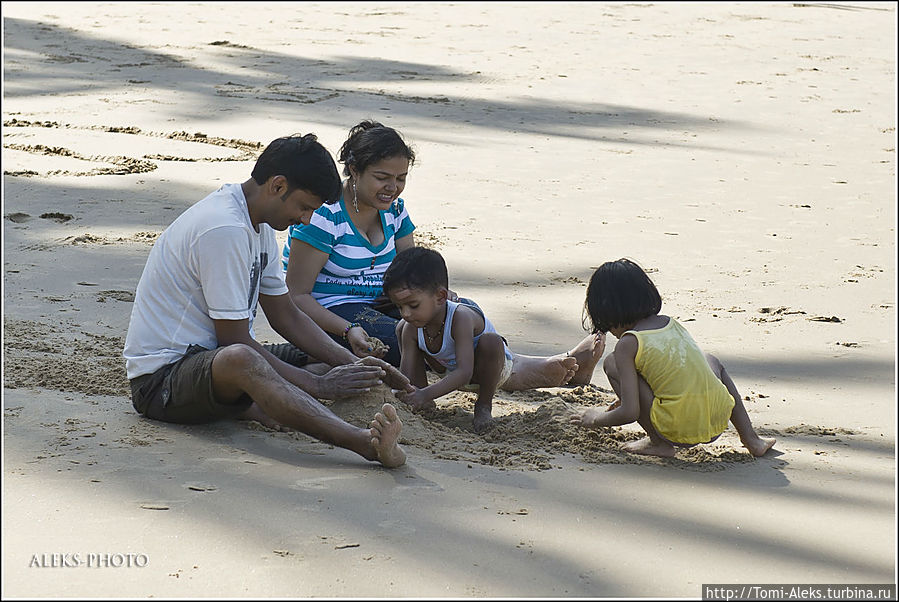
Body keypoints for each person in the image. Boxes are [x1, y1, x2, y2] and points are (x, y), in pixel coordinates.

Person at [123, 133, 410, 468]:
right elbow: (233, 341)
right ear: (277, 186)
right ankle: (362, 443)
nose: (305, 219)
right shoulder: (224, 228)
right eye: (304, 207)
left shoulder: (257, 224)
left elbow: (285, 313)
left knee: (319, 354)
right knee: (246, 359)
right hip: (162, 383)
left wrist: (348, 362)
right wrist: (319, 385)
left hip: (208, 361)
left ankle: (254, 403)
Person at [382, 247, 606, 433]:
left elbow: (464, 373)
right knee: (402, 329)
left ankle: (484, 405)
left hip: (490, 367)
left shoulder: (460, 318)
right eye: (399, 306)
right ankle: (568, 361)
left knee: (495, 347)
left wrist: (426, 394)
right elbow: (408, 375)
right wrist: (413, 395)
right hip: (448, 368)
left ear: (441, 297)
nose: (406, 313)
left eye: (413, 305)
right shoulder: (409, 326)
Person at [569, 258, 776, 458]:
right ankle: (751, 439)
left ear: (607, 311)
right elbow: (674, 373)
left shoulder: (627, 344)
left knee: (612, 364)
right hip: (717, 420)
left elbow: (630, 413)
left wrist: (595, 419)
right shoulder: (670, 324)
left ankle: (658, 443)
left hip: (679, 429)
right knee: (711, 360)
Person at [282, 120, 423, 368]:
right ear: (355, 170)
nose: (393, 188)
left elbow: (411, 273)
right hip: (332, 311)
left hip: (385, 302)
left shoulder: (396, 210)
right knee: (410, 342)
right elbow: (296, 296)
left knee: (461, 316)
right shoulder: (324, 215)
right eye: (382, 177)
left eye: (401, 178)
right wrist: (348, 329)